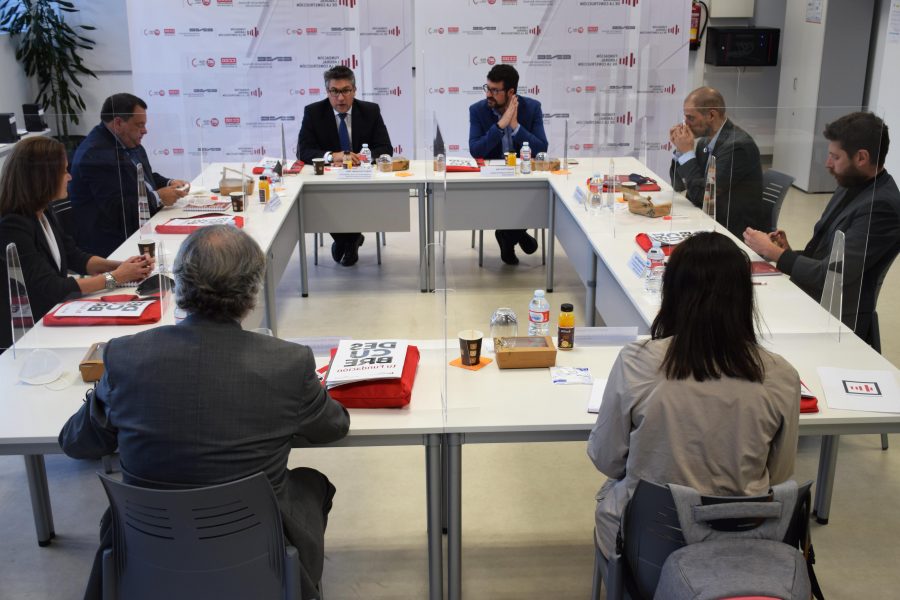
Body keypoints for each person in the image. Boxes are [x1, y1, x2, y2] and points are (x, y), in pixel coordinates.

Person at [59, 225, 351, 600]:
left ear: (179, 285)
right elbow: (333, 426)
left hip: (148, 546)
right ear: (252, 292)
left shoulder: (124, 357)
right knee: (310, 481)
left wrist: (108, 399)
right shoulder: (287, 363)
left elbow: (76, 442)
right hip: (256, 551)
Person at [587, 231, 799, 559]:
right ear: (744, 296)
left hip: (651, 551)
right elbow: (781, 474)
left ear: (671, 291)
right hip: (744, 547)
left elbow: (606, 458)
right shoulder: (780, 375)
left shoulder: (637, 362)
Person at [744, 112, 900, 351]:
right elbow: (827, 255)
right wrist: (786, 251)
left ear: (861, 157)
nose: (828, 163)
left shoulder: (882, 207)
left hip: (835, 319)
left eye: (835, 157)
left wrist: (775, 254)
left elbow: (832, 276)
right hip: (809, 296)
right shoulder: (850, 184)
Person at [0, 137, 153, 352]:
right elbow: (52, 289)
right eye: (64, 171)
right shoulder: (13, 225)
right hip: (25, 336)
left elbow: (74, 256)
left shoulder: (42, 210)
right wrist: (116, 277)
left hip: (49, 317)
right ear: (42, 177)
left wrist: (121, 266)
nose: (70, 177)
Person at [69, 93, 190, 258]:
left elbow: (143, 178)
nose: (145, 130)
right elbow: (115, 209)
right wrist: (157, 198)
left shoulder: (128, 142)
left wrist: (169, 183)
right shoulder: (95, 154)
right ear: (118, 123)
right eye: (140, 125)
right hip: (113, 244)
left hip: (140, 227)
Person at [296, 65, 393, 266]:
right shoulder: (313, 112)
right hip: (328, 185)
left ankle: (346, 240)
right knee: (325, 200)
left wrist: (362, 158)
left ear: (354, 90)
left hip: (363, 182)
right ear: (327, 92)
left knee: (355, 199)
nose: (340, 98)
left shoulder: (370, 111)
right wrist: (333, 156)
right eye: (334, 91)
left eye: (346, 91)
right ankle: (350, 240)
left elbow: (385, 149)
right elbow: (303, 151)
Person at [469, 64, 549, 265]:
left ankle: (507, 236)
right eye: (487, 88)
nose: (489, 94)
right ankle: (516, 234)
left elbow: (541, 149)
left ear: (511, 91)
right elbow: (476, 150)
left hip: (524, 178)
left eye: (495, 90)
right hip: (493, 180)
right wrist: (500, 125)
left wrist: (515, 126)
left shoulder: (532, 108)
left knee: (536, 197)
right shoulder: (478, 110)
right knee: (510, 198)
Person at [669, 87, 765, 237]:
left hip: (731, 231)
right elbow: (678, 185)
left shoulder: (737, 147)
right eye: (685, 117)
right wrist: (680, 152)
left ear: (711, 115)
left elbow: (703, 196)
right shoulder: (705, 142)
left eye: (691, 118)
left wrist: (687, 154)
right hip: (707, 218)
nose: (685, 124)